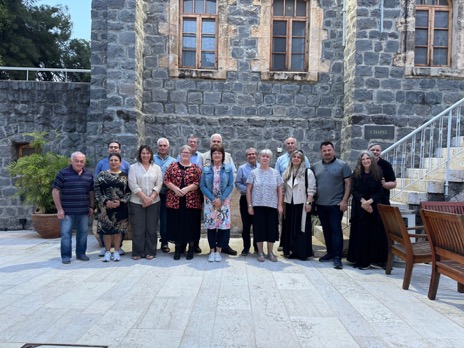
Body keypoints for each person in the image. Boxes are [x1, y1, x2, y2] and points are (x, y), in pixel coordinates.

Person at [311, 141, 352, 270]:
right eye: (324, 151)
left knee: (336, 230)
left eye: (329, 150)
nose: (327, 153)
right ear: (321, 152)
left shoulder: (342, 165)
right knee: (326, 230)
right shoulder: (315, 166)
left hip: (336, 204)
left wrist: (344, 200)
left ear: (333, 150)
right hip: (321, 204)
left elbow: (348, 184)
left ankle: (337, 257)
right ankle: (329, 253)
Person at [347, 150, 387, 269]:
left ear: (372, 160)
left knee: (371, 234)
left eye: (367, 159)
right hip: (359, 207)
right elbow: (354, 190)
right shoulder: (356, 173)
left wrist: (369, 202)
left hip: (373, 208)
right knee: (359, 233)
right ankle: (359, 260)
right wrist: (363, 202)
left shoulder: (378, 173)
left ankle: (370, 260)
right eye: (363, 159)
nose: (365, 161)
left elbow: (380, 191)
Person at [52, 151, 94, 264]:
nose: (79, 163)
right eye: (76, 161)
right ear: (71, 161)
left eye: (81, 161)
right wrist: (59, 209)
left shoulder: (89, 175)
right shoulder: (63, 173)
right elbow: (55, 191)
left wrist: (91, 206)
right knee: (66, 234)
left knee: (83, 233)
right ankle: (66, 256)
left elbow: (91, 192)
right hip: (67, 211)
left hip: (83, 210)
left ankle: (81, 254)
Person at [202, 133, 237, 256]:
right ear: (211, 155)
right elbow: (202, 186)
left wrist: (221, 199)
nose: (217, 155)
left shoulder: (227, 168)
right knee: (211, 226)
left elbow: (230, 185)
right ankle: (212, 250)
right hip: (210, 202)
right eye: (215, 153)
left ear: (223, 155)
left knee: (223, 226)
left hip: (223, 201)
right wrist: (213, 199)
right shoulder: (206, 169)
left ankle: (219, 250)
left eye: (219, 153)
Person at [165, 145, 202, 260]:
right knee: (177, 224)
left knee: (190, 224)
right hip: (175, 201)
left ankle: (191, 248)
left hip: (191, 202)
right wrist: (175, 188)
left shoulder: (195, 168)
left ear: (191, 155)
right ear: (180, 154)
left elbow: (198, 182)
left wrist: (187, 189)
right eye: (183, 152)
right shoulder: (172, 166)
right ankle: (178, 248)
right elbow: (166, 179)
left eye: (187, 152)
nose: (185, 154)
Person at [94, 141, 131, 257]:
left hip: (120, 206)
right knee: (106, 229)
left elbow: (129, 191)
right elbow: (96, 190)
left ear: (120, 162)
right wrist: (106, 201)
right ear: (108, 161)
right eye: (111, 160)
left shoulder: (125, 175)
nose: (113, 162)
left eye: (116, 160)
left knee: (119, 229)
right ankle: (107, 250)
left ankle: (117, 250)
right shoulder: (102, 174)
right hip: (105, 206)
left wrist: (120, 202)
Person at [246, 149, 283, 262]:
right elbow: (248, 190)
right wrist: (250, 205)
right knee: (259, 229)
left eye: (267, 156)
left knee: (271, 229)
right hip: (258, 205)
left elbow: (280, 190)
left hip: (272, 206)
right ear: (259, 158)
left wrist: (280, 205)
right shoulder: (254, 173)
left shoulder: (275, 173)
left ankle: (270, 252)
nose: (265, 158)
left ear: (270, 159)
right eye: (263, 156)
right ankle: (260, 252)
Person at [274, 137, 310, 252]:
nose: (290, 145)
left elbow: (308, 177)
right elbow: (277, 176)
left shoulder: (305, 159)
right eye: (288, 143)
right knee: (285, 221)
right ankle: (284, 243)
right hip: (286, 196)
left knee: (298, 222)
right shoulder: (280, 160)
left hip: (300, 197)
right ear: (286, 146)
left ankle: (297, 246)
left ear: (296, 144)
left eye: (292, 143)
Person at [128, 145, 162, 260]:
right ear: (140, 154)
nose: (145, 155)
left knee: (151, 228)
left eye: (148, 153)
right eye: (143, 153)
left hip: (154, 202)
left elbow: (159, 184)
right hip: (137, 202)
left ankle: (150, 251)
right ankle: (138, 252)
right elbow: (132, 184)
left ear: (151, 155)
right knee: (138, 228)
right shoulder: (133, 168)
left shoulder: (156, 168)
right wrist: (144, 198)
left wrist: (151, 198)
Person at [282, 150, 316, 260]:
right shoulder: (286, 172)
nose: (296, 158)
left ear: (302, 159)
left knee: (301, 228)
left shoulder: (307, 172)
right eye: (294, 157)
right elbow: (283, 189)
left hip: (301, 204)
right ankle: (290, 250)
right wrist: (282, 205)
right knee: (289, 227)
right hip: (289, 204)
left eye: (298, 157)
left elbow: (311, 189)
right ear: (291, 159)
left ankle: (301, 252)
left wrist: (309, 203)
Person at [176, 134, 203, 253]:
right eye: (190, 142)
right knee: (181, 221)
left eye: (194, 142)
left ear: (197, 144)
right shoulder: (178, 158)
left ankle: (195, 244)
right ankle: (181, 245)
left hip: (196, 195)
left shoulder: (202, 157)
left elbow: (200, 176)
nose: (192, 144)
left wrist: (189, 188)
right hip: (179, 196)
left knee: (194, 221)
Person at [234, 147, 259, 256]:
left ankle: (257, 248)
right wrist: (249, 190)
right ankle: (246, 247)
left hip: (259, 200)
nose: (251, 156)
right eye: (249, 154)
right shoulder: (242, 168)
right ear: (246, 157)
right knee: (246, 225)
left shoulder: (262, 167)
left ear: (256, 155)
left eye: (253, 154)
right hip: (245, 200)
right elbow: (238, 183)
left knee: (258, 225)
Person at [153, 138, 176, 253]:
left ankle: (165, 242)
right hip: (152, 194)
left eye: (164, 146)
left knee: (165, 219)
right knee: (152, 219)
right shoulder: (150, 159)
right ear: (157, 147)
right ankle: (151, 244)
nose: (162, 147)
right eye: (160, 145)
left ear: (168, 147)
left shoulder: (173, 161)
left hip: (167, 194)